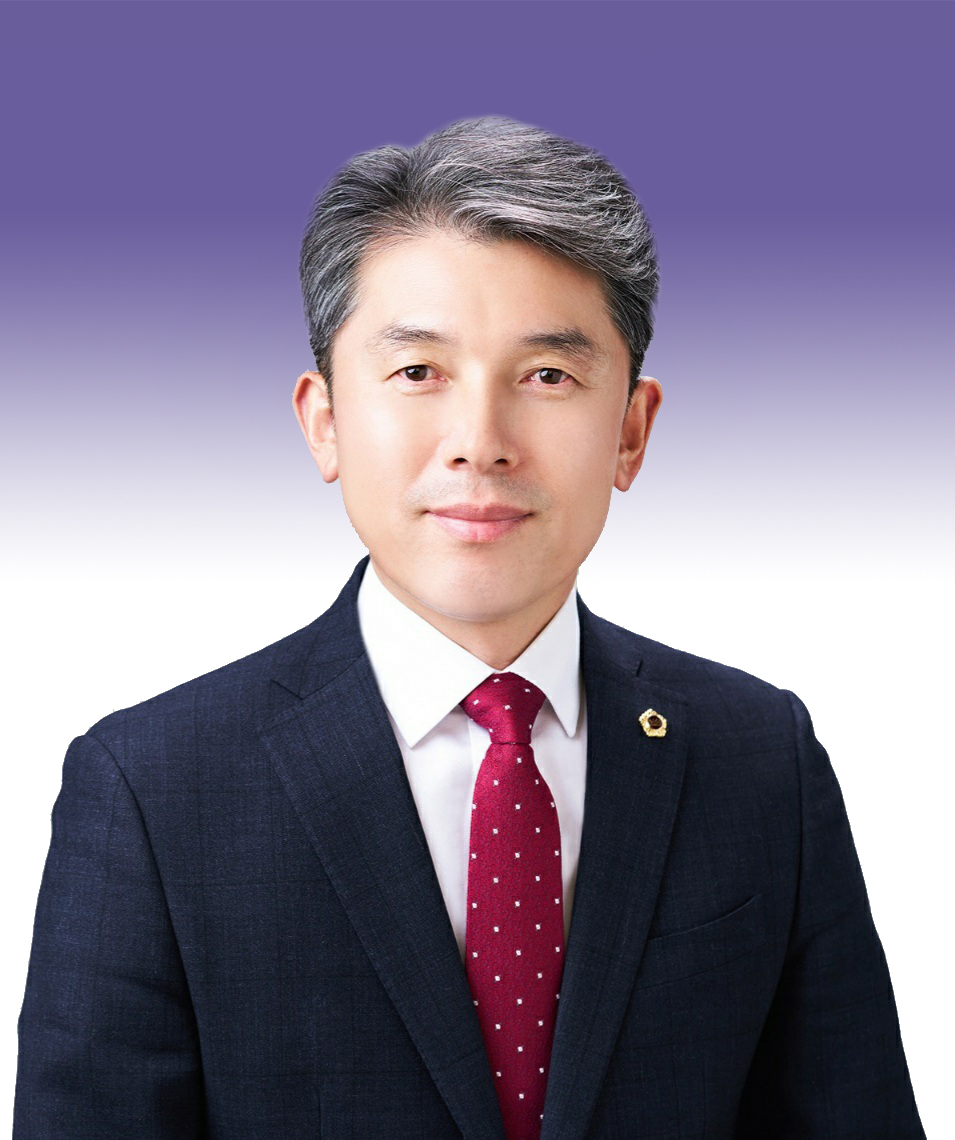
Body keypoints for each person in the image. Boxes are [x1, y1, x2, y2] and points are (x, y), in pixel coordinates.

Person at [14, 116, 924, 1139]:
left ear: (630, 429)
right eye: (418, 372)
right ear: (324, 420)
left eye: (547, 376)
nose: (479, 444)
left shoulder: (758, 758)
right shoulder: (151, 789)